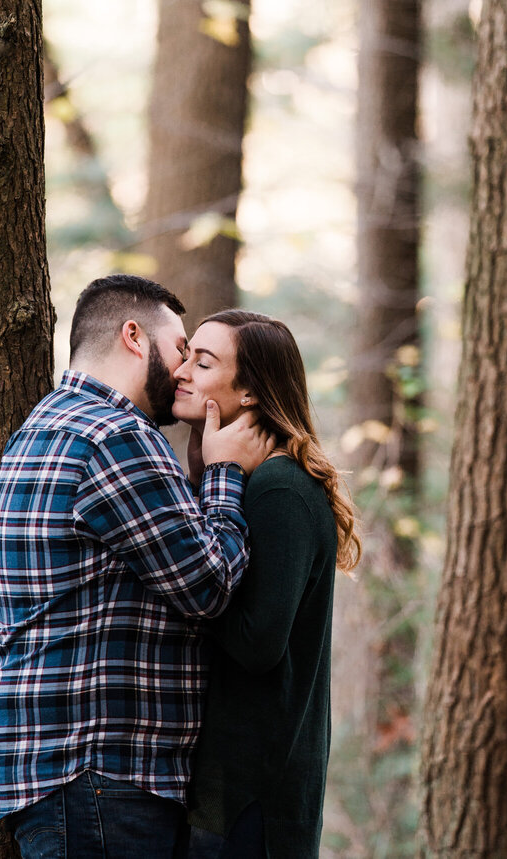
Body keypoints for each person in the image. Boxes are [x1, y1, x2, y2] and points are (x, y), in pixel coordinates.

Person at [0, 275, 275, 858]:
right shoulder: (116, 435)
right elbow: (209, 586)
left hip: (63, 776)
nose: (186, 366)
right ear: (135, 337)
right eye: (181, 346)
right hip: (101, 778)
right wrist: (223, 473)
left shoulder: (45, 426)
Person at [171, 310, 363, 859]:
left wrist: (181, 592)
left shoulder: (279, 485)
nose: (181, 370)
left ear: (251, 391)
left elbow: (258, 644)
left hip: (253, 801)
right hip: (232, 794)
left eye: (202, 363)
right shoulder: (251, 477)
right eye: (186, 354)